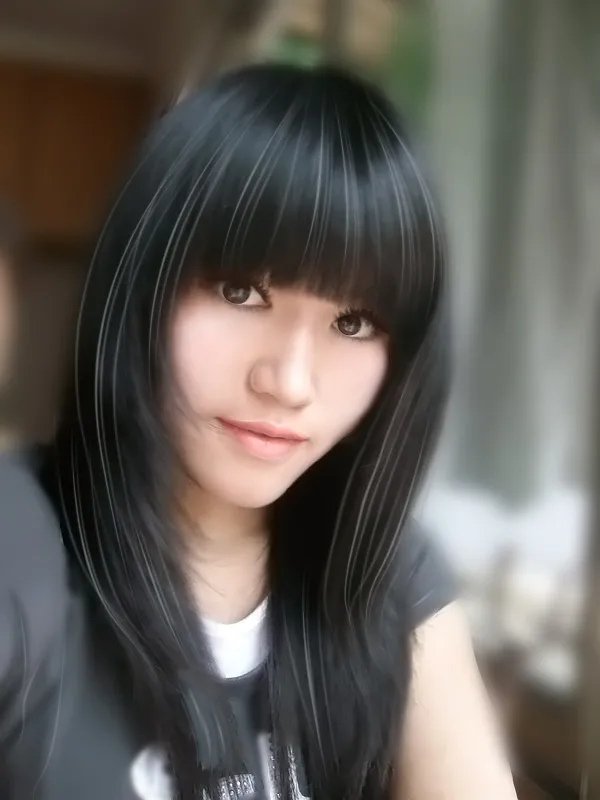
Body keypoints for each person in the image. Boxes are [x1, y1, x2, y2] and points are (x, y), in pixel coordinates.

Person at [0, 64, 517, 799]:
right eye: (241, 292)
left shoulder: (386, 575)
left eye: (353, 323)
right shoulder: (20, 543)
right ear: (143, 284)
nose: (289, 382)